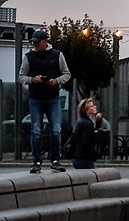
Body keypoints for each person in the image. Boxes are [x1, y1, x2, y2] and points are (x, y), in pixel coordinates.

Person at [19, 25, 71, 173]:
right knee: (36, 130)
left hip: (52, 97)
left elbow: (67, 74)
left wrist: (57, 80)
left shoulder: (57, 55)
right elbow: (21, 76)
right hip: (35, 98)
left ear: (45, 41)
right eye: (33, 43)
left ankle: (55, 160)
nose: (35, 45)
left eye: (37, 42)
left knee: (56, 129)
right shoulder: (29, 56)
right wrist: (32, 79)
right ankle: (36, 161)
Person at [68, 100, 98, 170]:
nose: (95, 107)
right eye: (92, 106)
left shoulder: (81, 121)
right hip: (84, 157)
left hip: (77, 156)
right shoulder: (87, 124)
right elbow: (86, 142)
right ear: (87, 111)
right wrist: (94, 153)